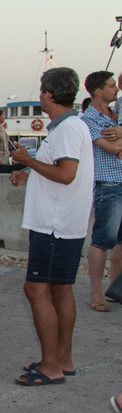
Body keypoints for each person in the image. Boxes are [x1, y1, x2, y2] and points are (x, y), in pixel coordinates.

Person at [10, 67, 93, 386]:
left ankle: (50, 366)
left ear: (48, 94)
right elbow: (61, 174)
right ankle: (63, 359)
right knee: (60, 289)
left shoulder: (68, 129)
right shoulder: (74, 126)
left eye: (42, 90)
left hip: (55, 225)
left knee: (36, 289)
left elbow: (66, 174)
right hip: (64, 222)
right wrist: (30, 175)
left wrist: (27, 161)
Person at [78, 71, 122, 312]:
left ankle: (115, 289)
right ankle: (96, 293)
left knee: (120, 241)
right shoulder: (90, 120)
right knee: (103, 239)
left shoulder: (115, 115)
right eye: (112, 86)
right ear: (98, 91)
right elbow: (110, 146)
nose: (116, 89)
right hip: (109, 185)